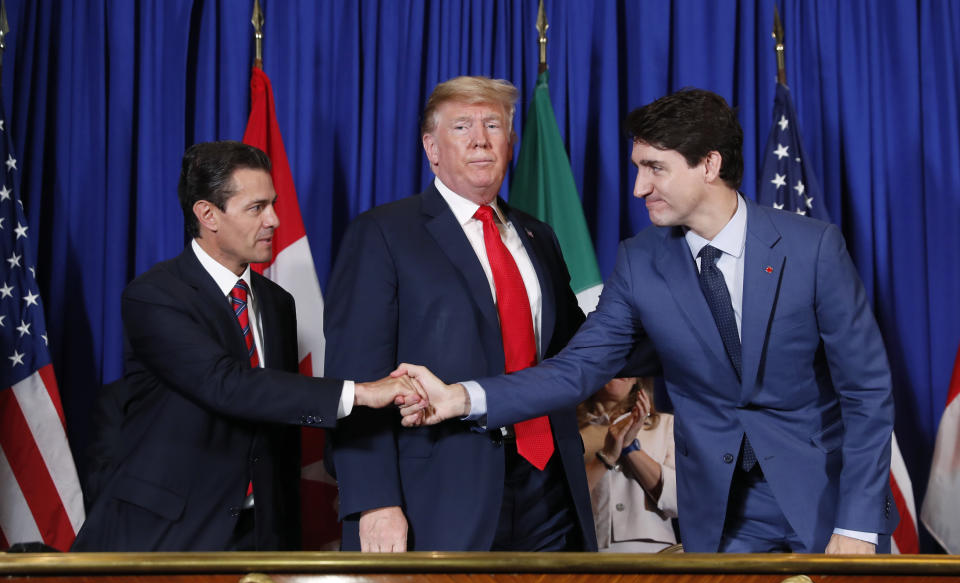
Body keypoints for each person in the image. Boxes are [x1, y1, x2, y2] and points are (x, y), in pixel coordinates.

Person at [398, 88, 898, 554]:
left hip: (825, 498)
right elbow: (576, 368)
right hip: (721, 516)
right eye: (638, 168)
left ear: (709, 165)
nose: (639, 187)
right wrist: (460, 397)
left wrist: (855, 524)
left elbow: (866, 389)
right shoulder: (641, 263)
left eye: (654, 168)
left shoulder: (812, 248)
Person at [72, 141, 419, 552]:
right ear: (207, 215)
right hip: (172, 536)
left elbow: (280, 423)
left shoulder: (276, 303)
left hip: (261, 535)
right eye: (256, 208)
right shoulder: (154, 296)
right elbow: (226, 384)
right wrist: (361, 393)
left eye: (273, 204)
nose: (274, 220)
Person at [324, 76, 597, 552]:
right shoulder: (384, 234)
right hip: (437, 494)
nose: (480, 139)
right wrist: (375, 501)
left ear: (510, 142)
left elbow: (578, 348)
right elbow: (356, 380)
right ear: (431, 148)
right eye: (462, 126)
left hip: (549, 484)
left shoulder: (539, 237)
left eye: (493, 124)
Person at [579, 377, 677, 552]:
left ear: (637, 379)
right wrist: (606, 456)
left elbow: (680, 502)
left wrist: (629, 447)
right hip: (591, 552)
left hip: (655, 554)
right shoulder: (571, 431)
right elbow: (564, 501)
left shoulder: (666, 424)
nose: (620, 371)